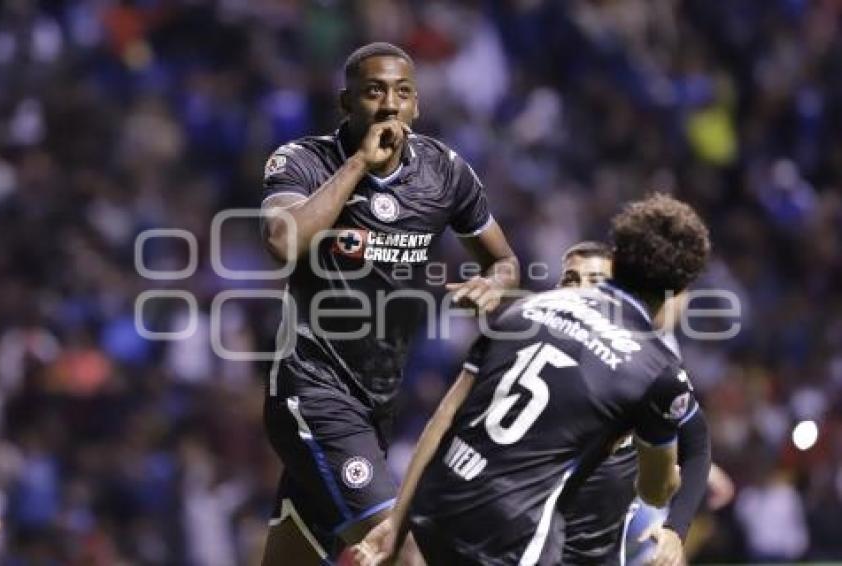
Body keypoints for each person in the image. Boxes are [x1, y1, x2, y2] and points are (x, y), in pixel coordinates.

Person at [259, 42, 520, 564]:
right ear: (346, 102)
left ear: (417, 105)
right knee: (400, 551)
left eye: (402, 92)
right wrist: (359, 163)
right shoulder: (303, 161)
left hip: (378, 404)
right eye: (373, 91)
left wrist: (494, 284)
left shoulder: (444, 172)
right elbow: (283, 242)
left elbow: (505, 261)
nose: (389, 104)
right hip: (311, 390)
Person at [351, 193, 711, 566]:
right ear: (680, 289)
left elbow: (444, 419)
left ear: (616, 258)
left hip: (438, 508)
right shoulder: (657, 370)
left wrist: (398, 521)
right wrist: (668, 476)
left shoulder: (524, 309)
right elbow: (655, 490)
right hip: (512, 538)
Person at [558, 241, 732, 566]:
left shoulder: (661, 348)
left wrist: (699, 475)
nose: (677, 301)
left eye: (681, 291)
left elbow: (684, 426)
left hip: (629, 485)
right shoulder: (575, 335)